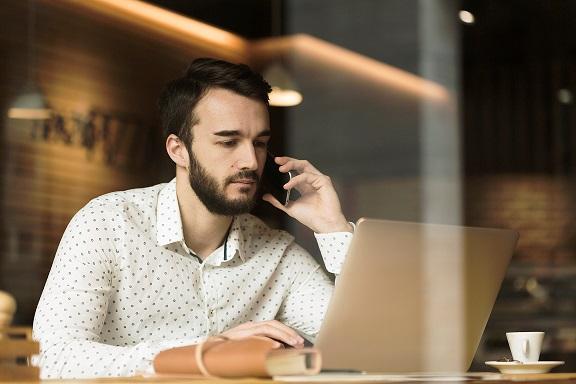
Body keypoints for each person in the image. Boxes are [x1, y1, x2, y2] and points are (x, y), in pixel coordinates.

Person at [33, 58, 353, 379]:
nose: (250, 161)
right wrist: (208, 350)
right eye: (228, 142)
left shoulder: (276, 254)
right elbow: (53, 357)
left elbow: (365, 343)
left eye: (259, 143)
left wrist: (332, 229)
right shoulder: (106, 224)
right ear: (178, 150)